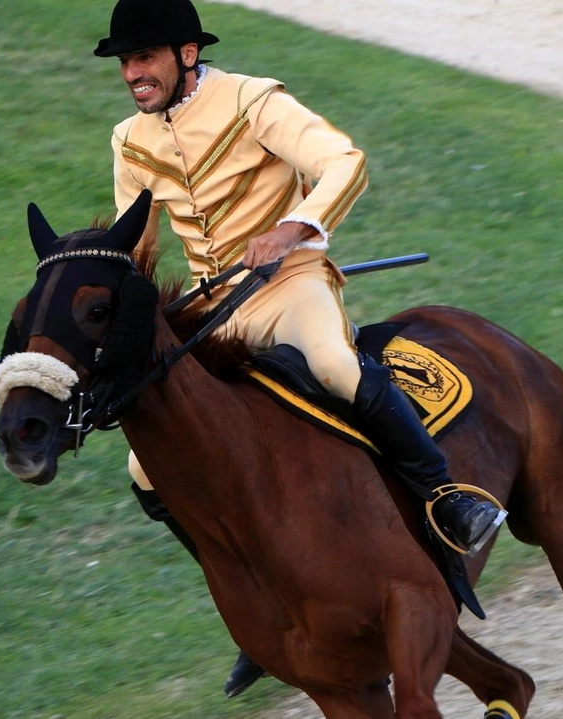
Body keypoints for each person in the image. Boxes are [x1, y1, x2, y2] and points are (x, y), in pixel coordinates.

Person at [94, 0, 507, 697]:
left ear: (186, 54)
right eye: (126, 61)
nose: (133, 72)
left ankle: (447, 499)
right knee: (144, 468)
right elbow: (138, 251)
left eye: (145, 57)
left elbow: (344, 162)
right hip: (211, 309)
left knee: (336, 366)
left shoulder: (255, 101)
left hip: (289, 282)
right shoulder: (129, 140)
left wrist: (295, 227)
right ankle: (254, 597)